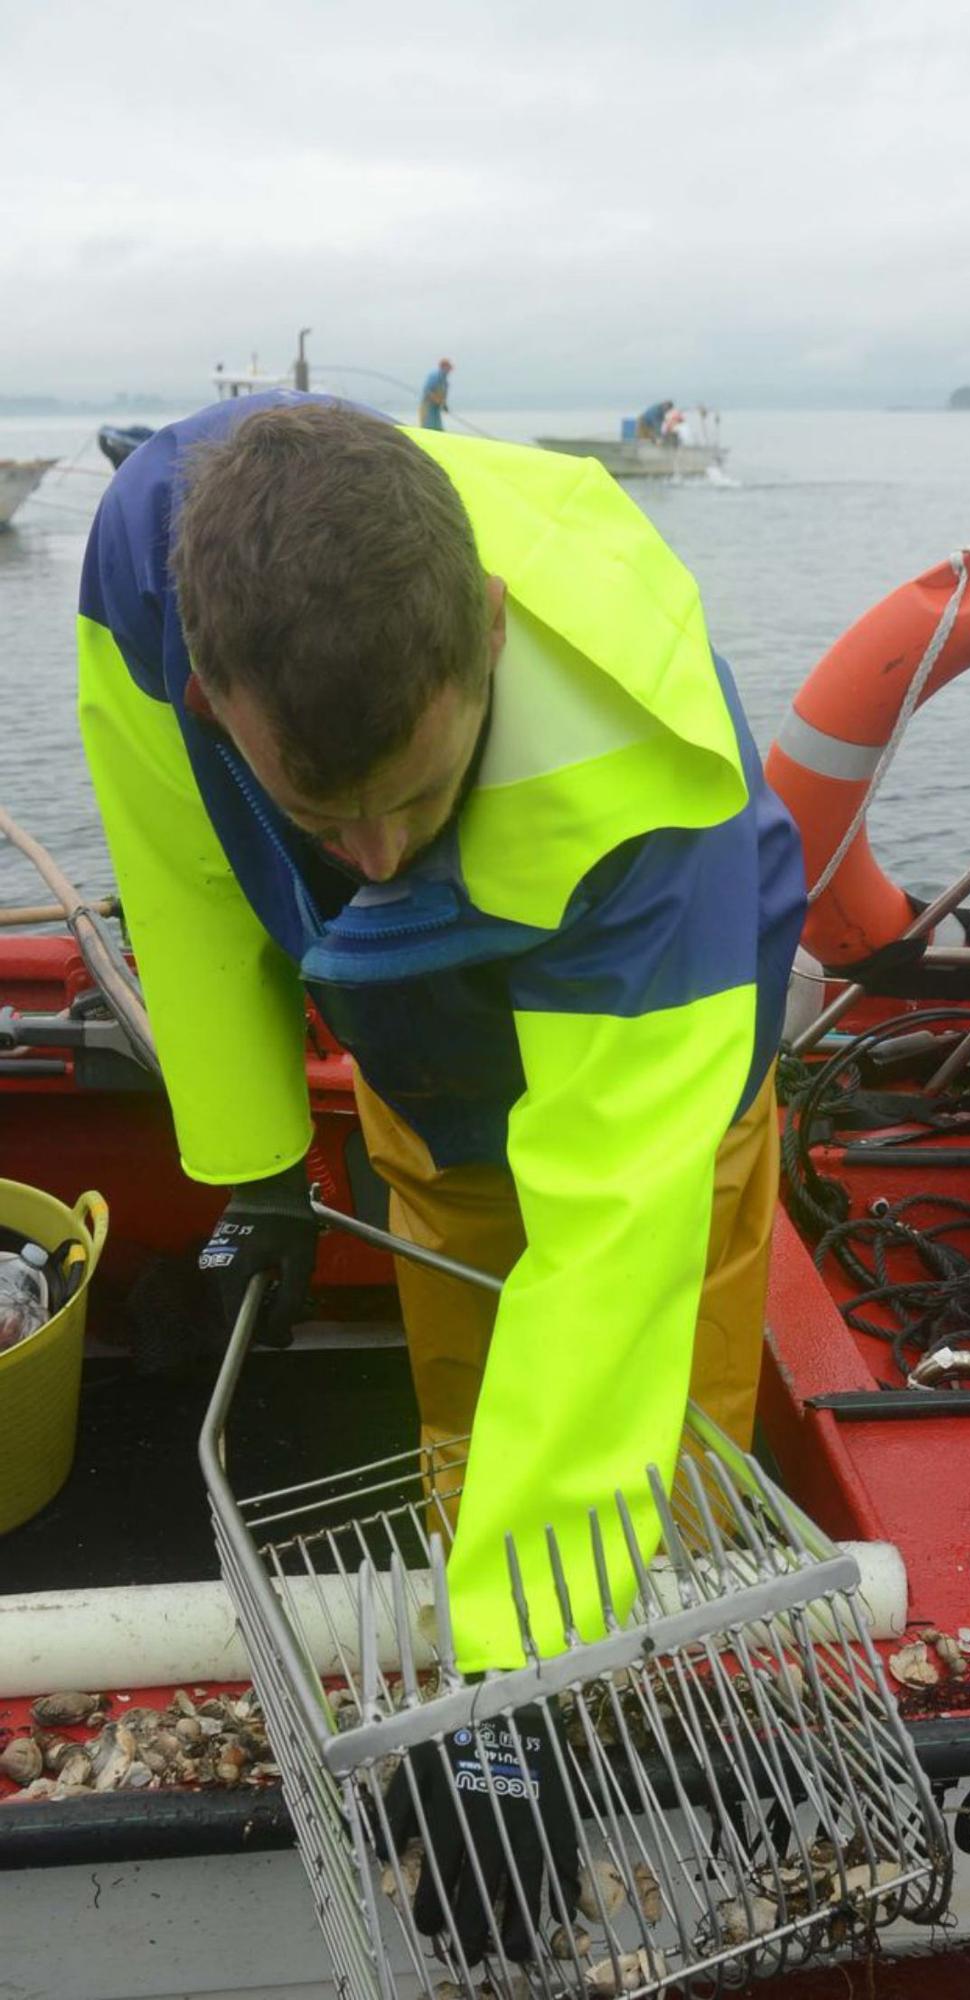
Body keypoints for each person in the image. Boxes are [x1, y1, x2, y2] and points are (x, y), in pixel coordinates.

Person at [76, 392, 804, 1682]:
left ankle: (637, 1684)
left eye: (415, 794)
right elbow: (182, 866)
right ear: (209, 696)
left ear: (493, 631)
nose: (379, 858)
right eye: (322, 813)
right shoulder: (145, 568)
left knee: (663, 1433)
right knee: (469, 1407)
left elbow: (611, 1253)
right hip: (426, 1059)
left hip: (661, 1040)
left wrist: (521, 1681)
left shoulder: (642, 784)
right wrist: (260, 1156)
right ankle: (499, 1660)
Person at [419, 356, 452, 429]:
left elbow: (443, 396)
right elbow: (427, 390)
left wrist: (444, 405)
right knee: (427, 428)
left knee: (438, 429)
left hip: (436, 409)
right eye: (448, 367)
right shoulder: (434, 376)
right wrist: (436, 399)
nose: (450, 370)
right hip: (427, 407)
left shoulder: (445, 382)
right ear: (443, 367)